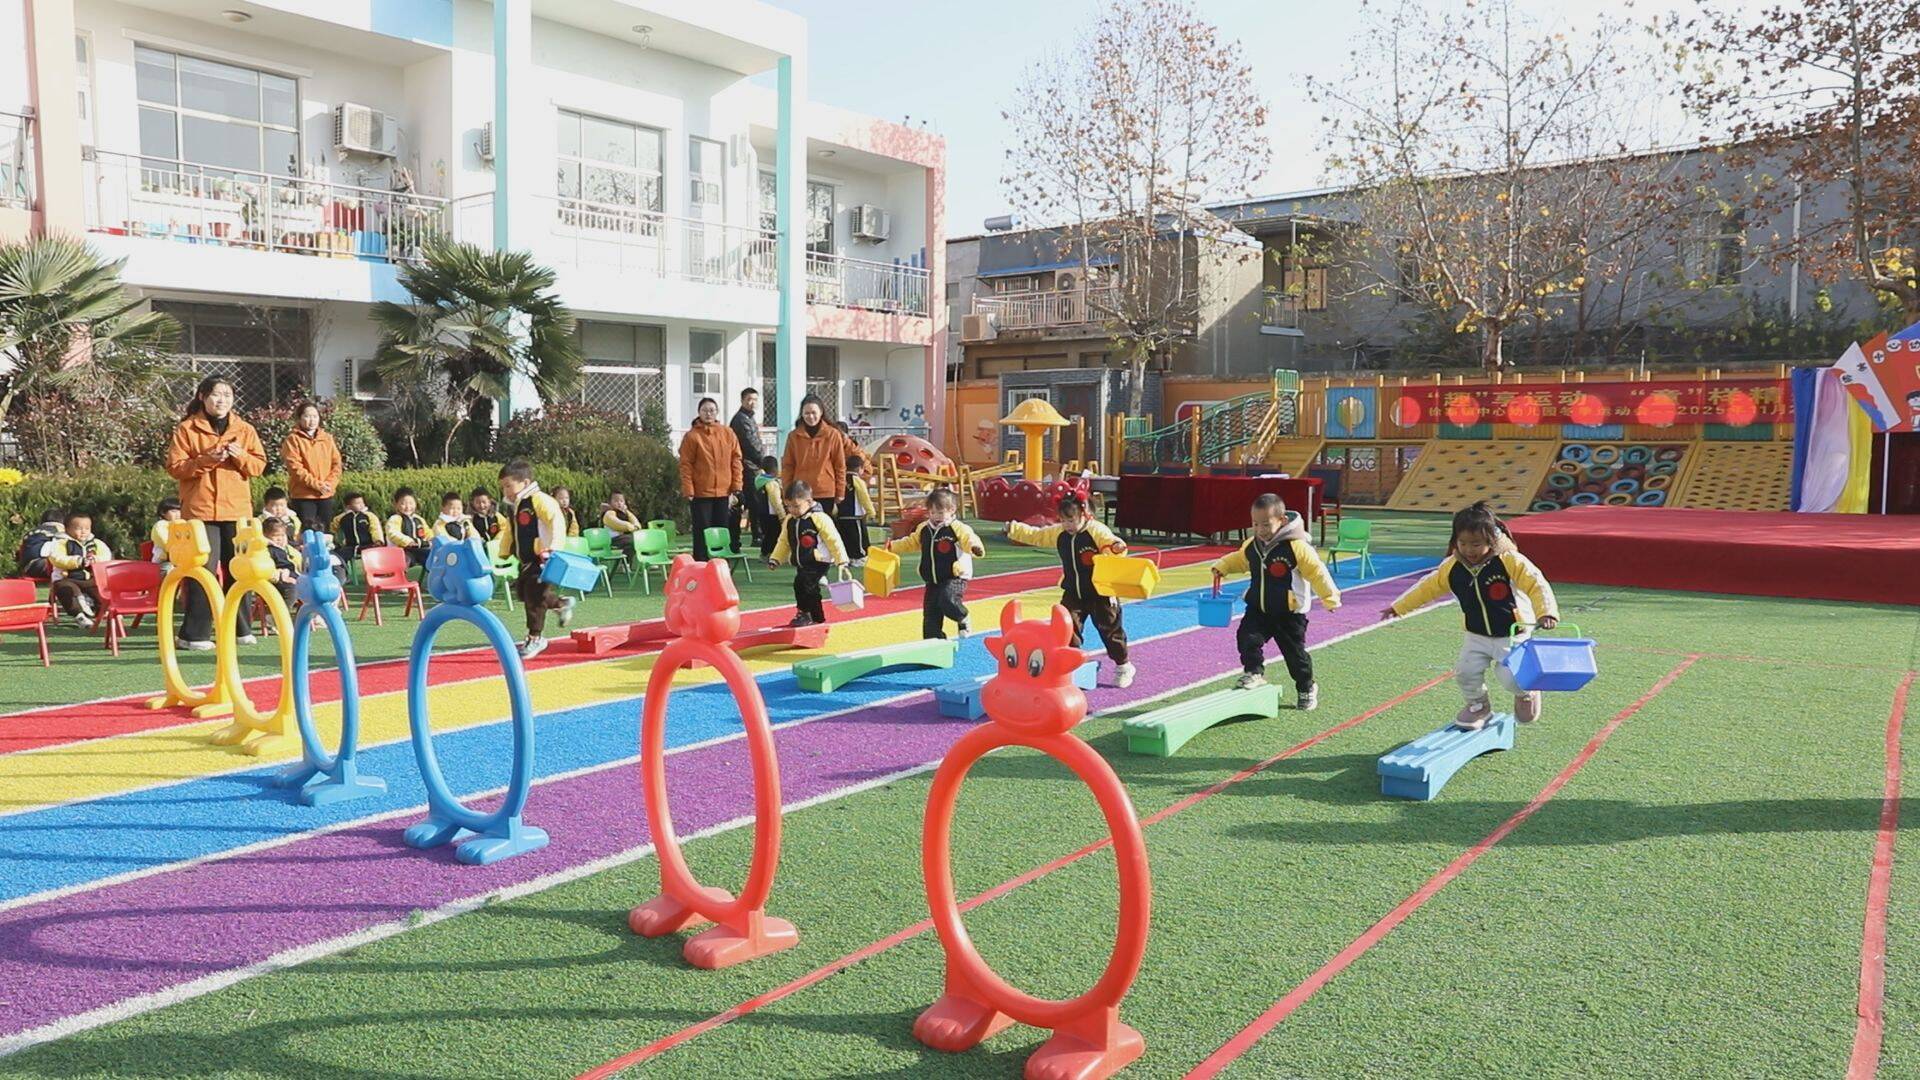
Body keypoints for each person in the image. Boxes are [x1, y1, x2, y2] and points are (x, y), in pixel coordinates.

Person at [1382, 500, 1560, 729]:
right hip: (1476, 634)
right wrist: (1399, 606)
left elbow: (1537, 584)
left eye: (1476, 544)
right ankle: (1478, 706)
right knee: (1466, 673)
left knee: (1511, 677)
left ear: (1491, 540)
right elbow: (1427, 587)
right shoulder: (1452, 566)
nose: (1469, 550)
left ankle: (1527, 692)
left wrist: (1547, 612)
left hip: (1512, 633)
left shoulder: (1509, 561)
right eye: (1463, 543)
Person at [1210, 494, 1340, 711]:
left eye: (1265, 524)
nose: (1260, 530)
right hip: (1259, 609)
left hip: (1289, 614)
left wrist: (1330, 597)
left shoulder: (1296, 547)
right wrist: (1222, 566)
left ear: (1282, 521)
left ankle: (1306, 686)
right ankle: (1254, 672)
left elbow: (1317, 572)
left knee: (1295, 655)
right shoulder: (1252, 545)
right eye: (1255, 524)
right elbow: (1240, 559)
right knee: (1247, 638)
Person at [166, 375, 265, 649]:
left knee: (241, 569)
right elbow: (175, 467)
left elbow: (258, 466)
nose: (222, 400)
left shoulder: (244, 429)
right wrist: (207, 459)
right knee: (203, 570)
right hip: (201, 511)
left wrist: (240, 456)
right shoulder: (187, 429)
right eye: (216, 395)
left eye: (227, 395)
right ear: (203, 397)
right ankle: (194, 635)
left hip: (237, 510)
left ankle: (240, 629)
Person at [1005, 494, 1135, 688]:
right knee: (1066, 629)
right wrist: (1014, 529)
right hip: (1074, 592)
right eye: (1063, 520)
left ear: (1084, 514)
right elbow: (1037, 535)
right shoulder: (1060, 533)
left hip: (1101, 592)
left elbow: (1111, 544)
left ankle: (1123, 666)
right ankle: (1074, 668)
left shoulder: (1096, 530)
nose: (1067, 525)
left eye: (1071, 520)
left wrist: (1116, 548)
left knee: (1110, 630)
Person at [497, 460, 575, 659]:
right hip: (525, 560)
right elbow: (510, 530)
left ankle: (535, 637)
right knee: (524, 593)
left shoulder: (540, 500)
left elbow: (557, 522)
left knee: (533, 598)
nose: (505, 491)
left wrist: (554, 548)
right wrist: (504, 551)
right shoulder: (514, 505)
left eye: (508, 486)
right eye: (503, 487)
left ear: (525, 482)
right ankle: (560, 603)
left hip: (542, 558)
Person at [886, 488, 985, 640]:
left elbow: (969, 539)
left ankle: (962, 617)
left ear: (952, 510)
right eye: (932, 513)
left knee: (947, 600)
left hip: (954, 577)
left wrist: (975, 548)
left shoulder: (957, 528)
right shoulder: (924, 528)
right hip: (932, 579)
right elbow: (911, 542)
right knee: (930, 614)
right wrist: (892, 546)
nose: (936, 516)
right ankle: (934, 640)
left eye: (940, 513)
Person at [767, 480, 849, 628]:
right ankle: (817, 616)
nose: (792, 510)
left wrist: (841, 560)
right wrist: (776, 558)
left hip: (818, 560)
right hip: (802, 561)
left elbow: (834, 540)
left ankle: (804, 613)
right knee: (810, 588)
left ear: (809, 501)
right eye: (788, 506)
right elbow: (783, 541)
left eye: (796, 506)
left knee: (802, 584)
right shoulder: (790, 520)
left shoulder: (819, 518)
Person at [679, 396, 743, 561]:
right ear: (699, 412)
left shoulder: (727, 433)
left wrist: (736, 485)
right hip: (700, 492)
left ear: (717, 412)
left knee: (722, 530)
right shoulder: (692, 436)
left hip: (723, 491)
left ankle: (720, 564)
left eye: (712, 410)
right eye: (705, 410)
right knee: (702, 530)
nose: (708, 414)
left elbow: (736, 460)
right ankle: (700, 564)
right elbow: (686, 464)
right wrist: (688, 489)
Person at [780, 395, 847, 523]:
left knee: (823, 528)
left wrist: (840, 492)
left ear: (821, 412)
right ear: (801, 414)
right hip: (800, 492)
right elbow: (788, 466)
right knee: (802, 528)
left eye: (814, 413)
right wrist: (787, 491)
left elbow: (840, 465)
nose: (810, 417)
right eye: (807, 413)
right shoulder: (794, 436)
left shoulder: (833, 434)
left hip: (825, 491)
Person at [280, 401, 342, 532]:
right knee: (307, 533)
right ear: (299, 418)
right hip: (304, 496)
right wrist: (316, 485)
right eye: (307, 416)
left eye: (315, 416)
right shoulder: (293, 439)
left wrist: (330, 484)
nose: (312, 420)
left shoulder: (327, 438)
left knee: (325, 533)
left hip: (325, 495)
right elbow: (295, 468)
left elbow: (336, 464)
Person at [44, 511, 111, 629]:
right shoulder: (60, 543)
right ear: (67, 529)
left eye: (87, 528)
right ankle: (79, 615)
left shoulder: (96, 543)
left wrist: (96, 560)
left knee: (100, 589)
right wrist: (78, 561)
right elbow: (57, 558)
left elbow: (107, 555)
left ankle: (101, 610)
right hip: (66, 578)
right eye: (79, 528)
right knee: (66, 590)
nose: (84, 531)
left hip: (89, 577)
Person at [731, 387, 766, 554]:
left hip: (751, 465)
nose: (752, 403)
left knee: (754, 501)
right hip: (747, 467)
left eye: (755, 399)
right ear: (742, 400)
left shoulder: (748, 418)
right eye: (749, 399)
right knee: (754, 501)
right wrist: (764, 461)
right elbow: (751, 445)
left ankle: (757, 534)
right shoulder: (741, 419)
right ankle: (757, 535)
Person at [838, 453, 876, 567]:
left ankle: (847, 557)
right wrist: (871, 511)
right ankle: (859, 557)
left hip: (841, 514)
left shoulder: (840, 479)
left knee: (845, 537)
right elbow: (864, 497)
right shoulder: (857, 480)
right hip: (855, 515)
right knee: (858, 538)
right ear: (860, 468)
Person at [260, 516, 302, 617]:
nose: (280, 539)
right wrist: (283, 576)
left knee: (310, 586)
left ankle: (306, 617)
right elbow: (267, 569)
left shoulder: (287, 549)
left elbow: (297, 562)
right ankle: (278, 616)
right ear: (265, 536)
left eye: (283, 535)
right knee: (291, 589)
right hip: (276, 581)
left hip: (292, 576)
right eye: (275, 536)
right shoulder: (267, 550)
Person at [331, 492, 384, 568]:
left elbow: (375, 528)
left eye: (362, 502)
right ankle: (343, 572)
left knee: (375, 556)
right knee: (337, 556)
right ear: (348, 506)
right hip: (350, 546)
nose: (361, 505)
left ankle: (376, 571)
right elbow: (333, 529)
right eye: (357, 503)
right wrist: (335, 542)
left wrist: (378, 540)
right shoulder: (341, 518)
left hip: (367, 545)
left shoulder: (369, 516)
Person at [386, 487, 430, 569]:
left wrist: (432, 539)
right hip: (402, 550)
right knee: (406, 559)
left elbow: (427, 532)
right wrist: (408, 541)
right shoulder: (395, 519)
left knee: (432, 556)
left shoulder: (419, 519)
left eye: (411, 503)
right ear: (396, 504)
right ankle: (399, 575)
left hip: (418, 549)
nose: (408, 507)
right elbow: (393, 533)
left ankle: (436, 575)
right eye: (403, 503)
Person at [14, 508, 64, 578]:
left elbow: (20, 551)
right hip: (47, 565)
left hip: (29, 568)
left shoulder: (30, 532)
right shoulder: (62, 531)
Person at [754, 454, 782, 558]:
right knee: (774, 535)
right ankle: (770, 554)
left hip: (761, 513)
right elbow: (776, 501)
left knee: (767, 535)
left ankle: (764, 553)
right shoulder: (772, 484)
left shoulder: (758, 480)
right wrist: (782, 515)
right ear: (775, 469)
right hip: (772, 514)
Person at [602, 492, 642, 557]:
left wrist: (627, 512)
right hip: (613, 539)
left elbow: (636, 523)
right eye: (616, 501)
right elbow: (620, 525)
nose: (619, 503)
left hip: (623, 538)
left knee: (640, 539)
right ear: (610, 503)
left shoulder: (624, 513)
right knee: (632, 541)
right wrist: (634, 528)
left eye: (621, 501)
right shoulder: (608, 514)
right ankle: (626, 561)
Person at [150, 497, 183, 570]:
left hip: (180, 558)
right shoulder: (161, 525)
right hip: (164, 561)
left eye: (180, 511)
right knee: (169, 568)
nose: (178, 514)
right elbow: (165, 542)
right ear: (163, 512)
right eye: (174, 511)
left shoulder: (182, 525)